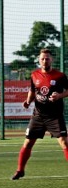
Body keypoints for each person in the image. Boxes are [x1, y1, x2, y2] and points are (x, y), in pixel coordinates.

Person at [12, 48, 68, 180]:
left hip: (54, 116)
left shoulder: (60, 76)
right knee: (28, 143)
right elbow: (33, 91)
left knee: (64, 143)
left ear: (51, 60)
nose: (44, 61)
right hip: (38, 115)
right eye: (42, 58)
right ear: (39, 60)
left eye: (47, 58)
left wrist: (59, 95)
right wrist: (27, 101)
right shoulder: (34, 75)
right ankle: (20, 170)